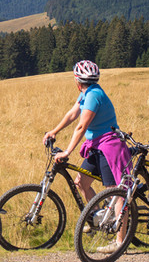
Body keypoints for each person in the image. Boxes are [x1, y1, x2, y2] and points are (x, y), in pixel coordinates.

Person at [43, 60, 131, 252]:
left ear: (77, 80)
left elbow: (81, 126)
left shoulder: (94, 96)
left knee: (115, 192)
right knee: (81, 183)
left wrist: (67, 151)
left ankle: (119, 240)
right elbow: (72, 114)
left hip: (109, 147)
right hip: (95, 147)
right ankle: (97, 219)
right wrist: (54, 131)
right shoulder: (86, 93)